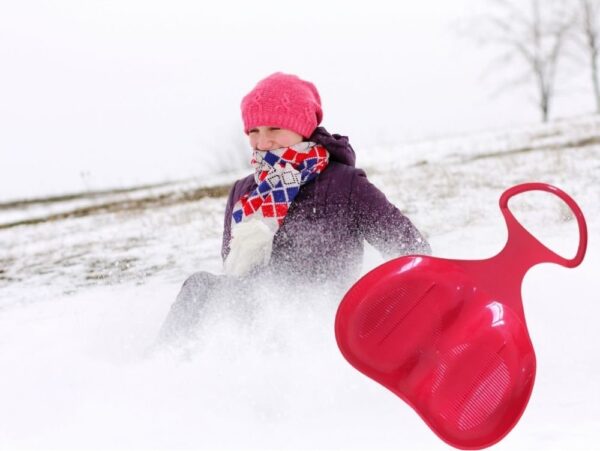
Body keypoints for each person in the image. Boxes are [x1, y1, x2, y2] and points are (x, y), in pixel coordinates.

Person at [158, 72, 431, 344]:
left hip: (320, 321)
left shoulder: (343, 183)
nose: (262, 143)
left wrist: (395, 313)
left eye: (274, 129)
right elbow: (233, 268)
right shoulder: (243, 192)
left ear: (301, 127)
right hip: (252, 322)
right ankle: (164, 368)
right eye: (254, 131)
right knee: (200, 286)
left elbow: (409, 248)